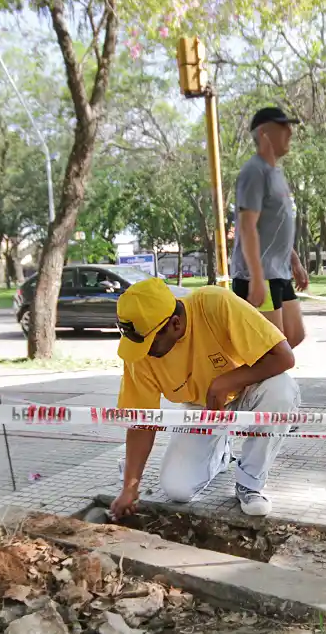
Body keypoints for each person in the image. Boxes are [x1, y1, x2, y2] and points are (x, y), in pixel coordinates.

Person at [109, 278, 300, 520]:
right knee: (177, 489)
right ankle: (221, 455)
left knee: (281, 390)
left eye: (151, 343)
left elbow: (283, 357)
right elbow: (142, 421)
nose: (144, 352)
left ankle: (250, 482)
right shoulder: (139, 353)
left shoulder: (215, 303)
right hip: (201, 408)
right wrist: (130, 487)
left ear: (175, 324)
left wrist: (225, 382)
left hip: (250, 390)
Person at [231, 107, 309, 349]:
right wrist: (255, 277)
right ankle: (241, 384)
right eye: (282, 127)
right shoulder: (254, 172)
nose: (290, 132)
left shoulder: (276, 173)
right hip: (259, 276)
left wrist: (294, 261)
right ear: (264, 133)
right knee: (272, 349)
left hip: (279, 272)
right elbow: (247, 227)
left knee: (294, 336)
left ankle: (252, 381)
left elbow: (276, 226)